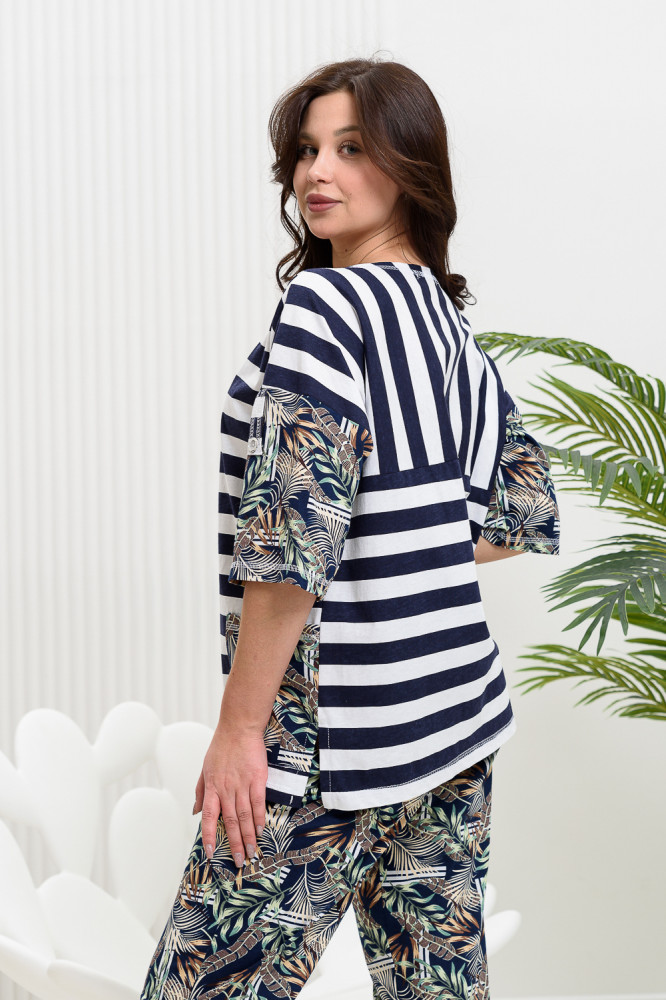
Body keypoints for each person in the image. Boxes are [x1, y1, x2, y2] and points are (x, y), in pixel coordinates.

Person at [140, 56, 559, 1000]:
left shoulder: (326, 307)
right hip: (453, 719)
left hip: (326, 736)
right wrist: (403, 549)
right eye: (306, 151)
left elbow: (294, 539)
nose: (316, 173)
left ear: (411, 166)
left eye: (352, 148)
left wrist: (241, 729)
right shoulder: (444, 320)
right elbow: (522, 504)